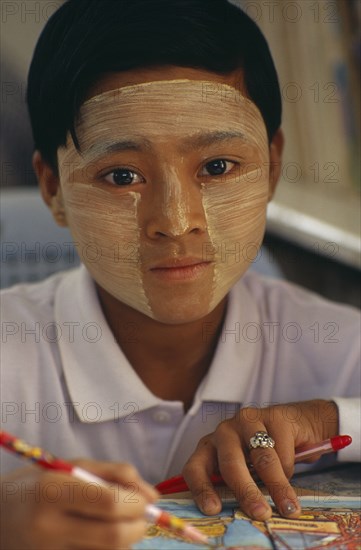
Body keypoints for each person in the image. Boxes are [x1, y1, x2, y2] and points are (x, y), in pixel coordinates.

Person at [1, 0, 360, 548]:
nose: (175, 221)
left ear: (273, 167)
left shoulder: (338, 347)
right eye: (121, 175)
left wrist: (332, 421)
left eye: (217, 167)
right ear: (52, 189)